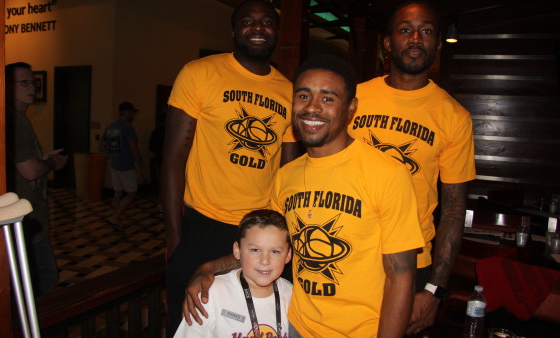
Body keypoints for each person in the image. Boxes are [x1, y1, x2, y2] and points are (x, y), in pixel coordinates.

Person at [181, 55, 425, 337]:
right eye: (304, 96)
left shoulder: (387, 173)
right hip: (295, 325)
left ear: (351, 108)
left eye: (328, 98)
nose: (312, 107)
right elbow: (266, 248)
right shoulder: (286, 176)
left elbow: (402, 276)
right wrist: (209, 267)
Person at [162, 0, 299, 334]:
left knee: (262, 324)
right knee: (192, 324)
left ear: (276, 32)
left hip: (261, 233)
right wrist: (175, 237)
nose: (257, 27)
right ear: (234, 31)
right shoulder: (199, 73)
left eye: (266, 21)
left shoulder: (289, 92)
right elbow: (172, 159)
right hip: (202, 225)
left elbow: (290, 175)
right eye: (247, 21)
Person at [348, 1, 476, 335]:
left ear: (436, 43)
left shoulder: (454, 117)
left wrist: (435, 290)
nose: (416, 38)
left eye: (427, 31)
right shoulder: (352, 100)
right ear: (388, 42)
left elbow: (453, 210)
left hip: (411, 265)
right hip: (347, 252)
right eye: (406, 30)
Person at [174, 209, 293, 338]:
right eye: (255, 250)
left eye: (274, 251)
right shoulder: (212, 293)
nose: (265, 261)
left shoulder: (291, 295)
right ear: (237, 250)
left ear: (288, 255)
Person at [5, 62, 68, 296]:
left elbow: (21, 162)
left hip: (26, 218)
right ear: (7, 87)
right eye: (24, 82)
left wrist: (42, 157)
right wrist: (51, 163)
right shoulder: (14, 121)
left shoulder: (17, 119)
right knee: (43, 279)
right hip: (24, 220)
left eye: (33, 82)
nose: (31, 87)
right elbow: (30, 171)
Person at [100, 101, 146, 229]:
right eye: (132, 113)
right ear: (127, 112)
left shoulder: (110, 126)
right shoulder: (128, 128)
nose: (133, 116)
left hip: (114, 164)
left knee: (118, 192)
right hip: (126, 166)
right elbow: (134, 149)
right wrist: (141, 167)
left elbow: (101, 146)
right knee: (132, 193)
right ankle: (115, 217)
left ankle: (116, 217)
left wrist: (110, 156)